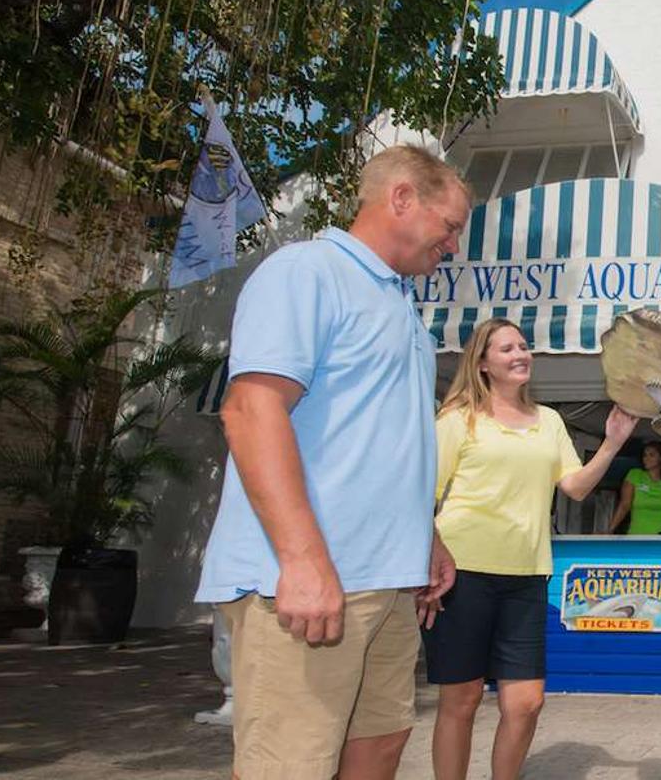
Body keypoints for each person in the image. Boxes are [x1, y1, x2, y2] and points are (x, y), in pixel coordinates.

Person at [194, 144, 468, 780]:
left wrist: (426, 538)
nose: (453, 246)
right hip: (309, 583)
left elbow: (376, 440)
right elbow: (250, 411)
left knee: (379, 748)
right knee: (292, 766)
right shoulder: (306, 271)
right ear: (401, 197)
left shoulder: (402, 305)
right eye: (450, 226)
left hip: (386, 582)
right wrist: (303, 560)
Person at [425, 317, 636, 780]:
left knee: (526, 702)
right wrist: (430, 560)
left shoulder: (550, 421)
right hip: (462, 573)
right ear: (482, 364)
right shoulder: (457, 420)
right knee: (461, 700)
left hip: (527, 575)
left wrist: (613, 440)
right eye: (506, 349)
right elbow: (424, 497)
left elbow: (576, 487)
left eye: (523, 346)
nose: (521, 354)